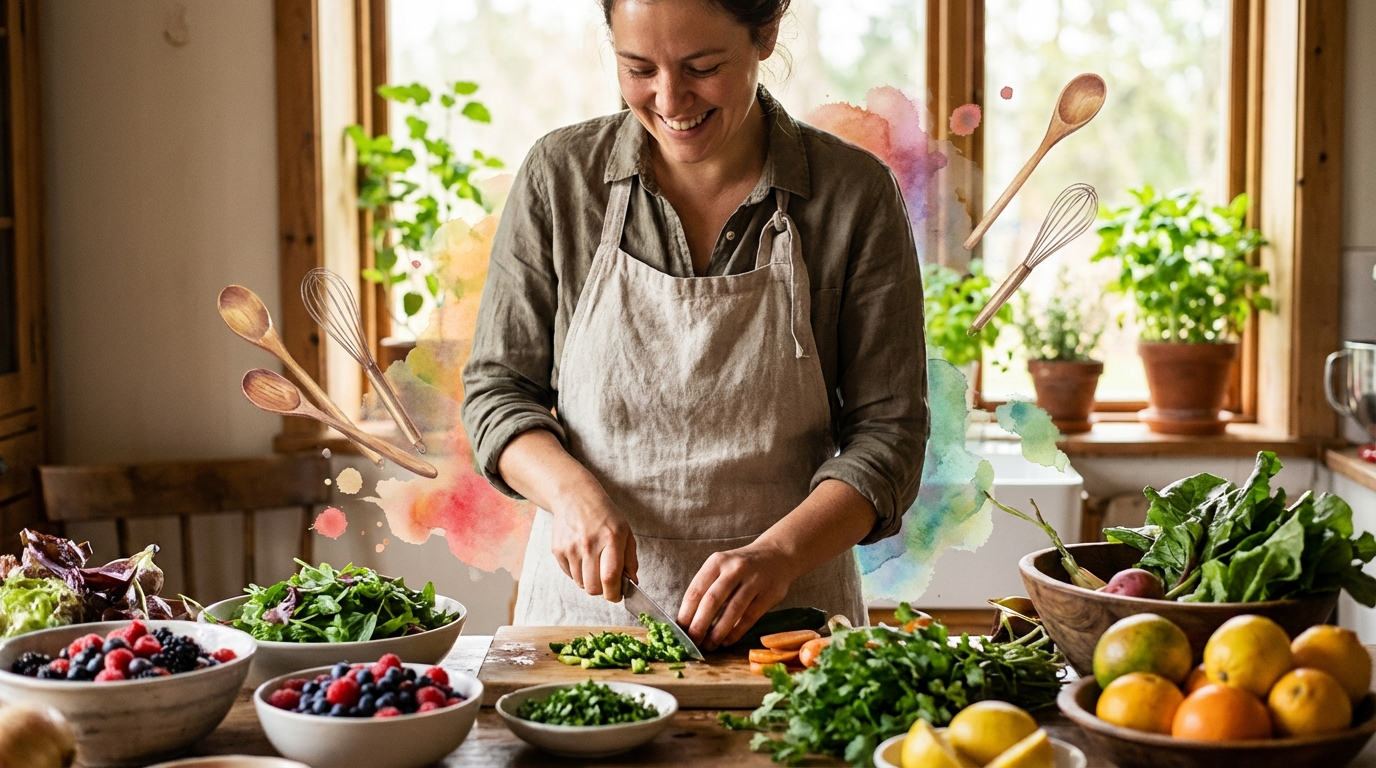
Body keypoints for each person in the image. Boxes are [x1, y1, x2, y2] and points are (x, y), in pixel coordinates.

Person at [461, 0, 928, 650]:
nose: (670, 99)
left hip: (790, 631)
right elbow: (496, 392)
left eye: (702, 67)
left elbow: (890, 434)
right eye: (638, 67)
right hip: (585, 626)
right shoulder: (560, 179)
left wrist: (780, 555)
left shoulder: (854, 195)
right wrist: (570, 493)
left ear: (765, 35)